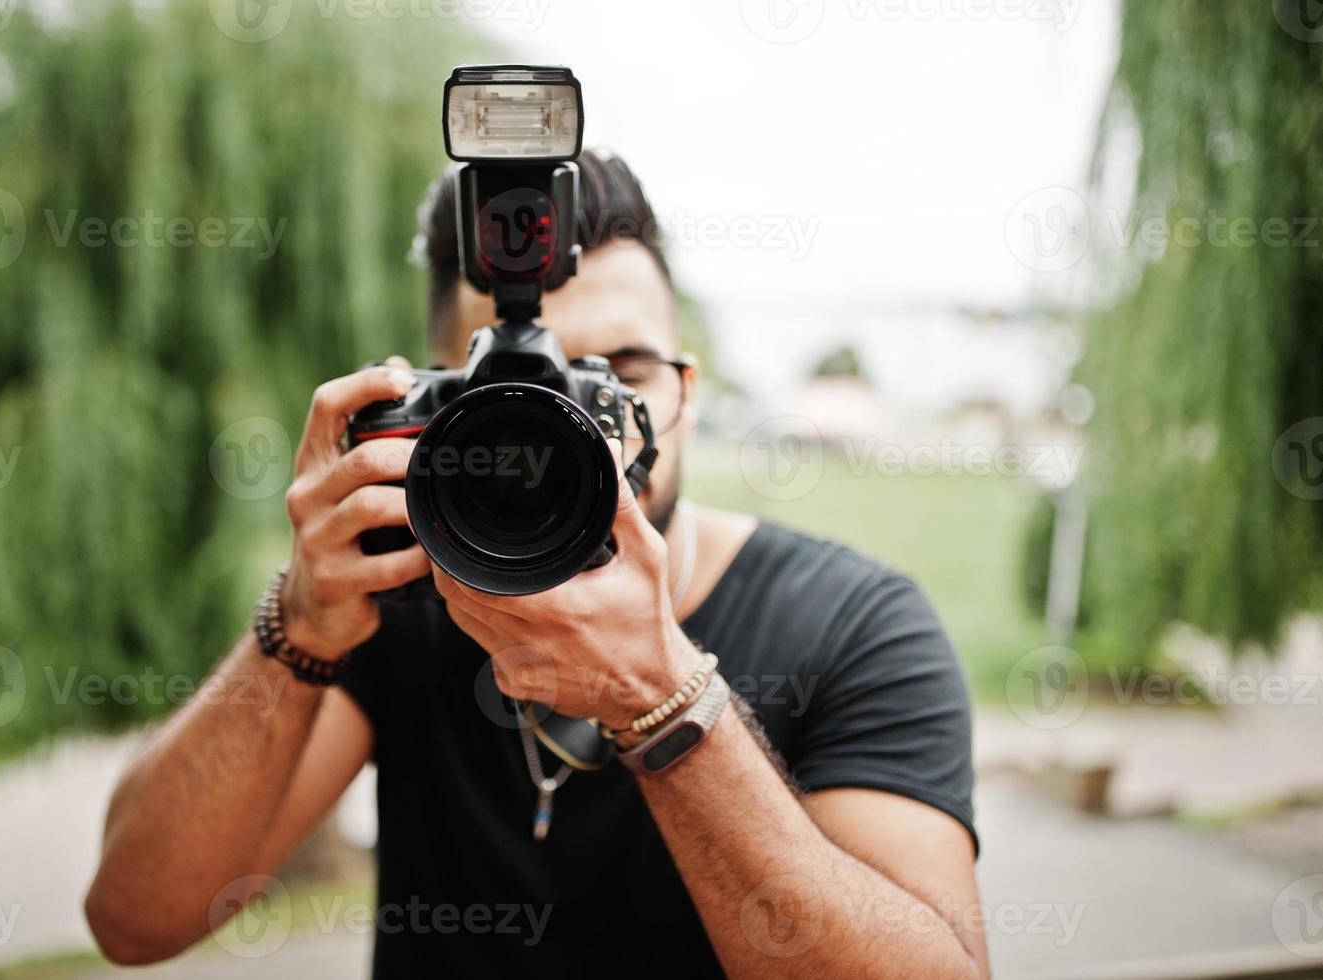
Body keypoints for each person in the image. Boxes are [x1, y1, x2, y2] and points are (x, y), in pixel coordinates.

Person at [85, 150, 988, 978]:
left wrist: (661, 697)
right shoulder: (392, 596)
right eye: (527, 389)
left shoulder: (853, 624)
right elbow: (135, 918)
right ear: (430, 410)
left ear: (684, 391)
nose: (577, 425)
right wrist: (301, 625)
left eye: (616, 375)